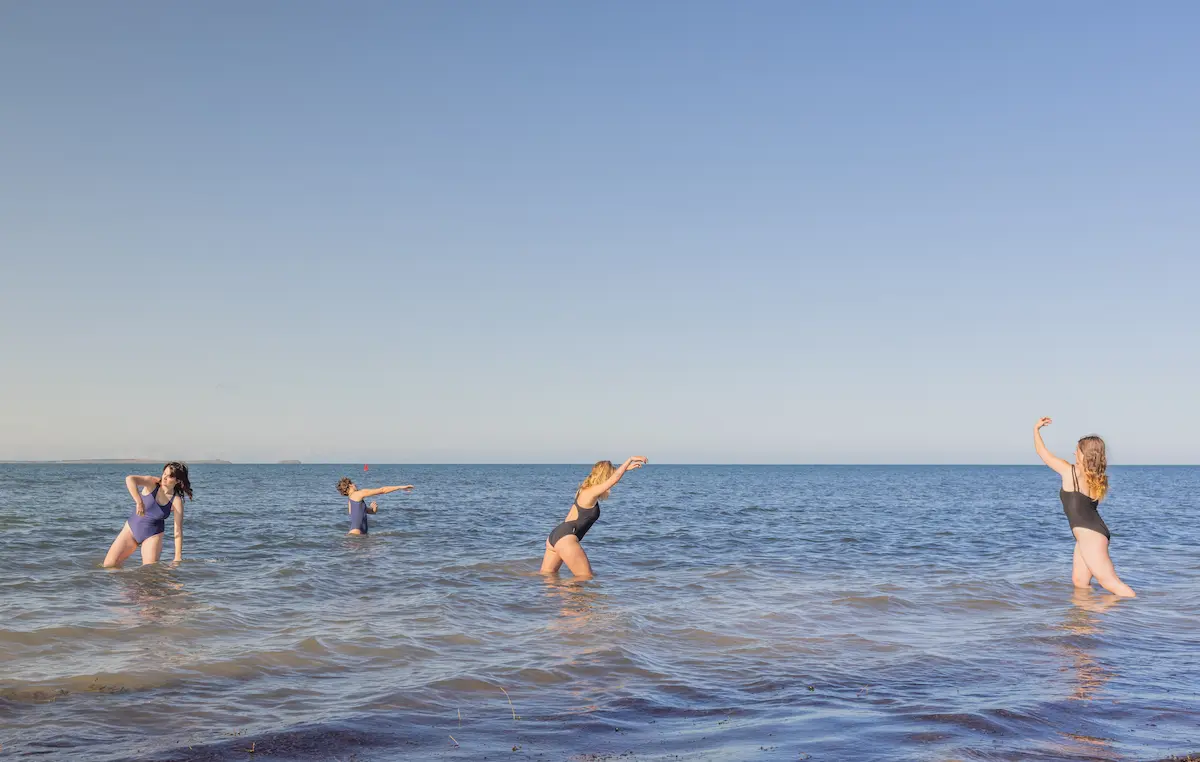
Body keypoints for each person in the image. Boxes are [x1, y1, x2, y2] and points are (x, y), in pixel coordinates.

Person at [1033, 418, 1135, 597]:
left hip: (1091, 535)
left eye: (1077, 450)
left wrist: (1036, 429)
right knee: (1080, 582)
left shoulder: (1070, 471)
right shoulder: (1095, 477)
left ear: (1083, 454)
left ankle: (1138, 611)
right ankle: (1084, 623)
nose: (1074, 453)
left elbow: (1043, 453)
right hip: (1089, 535)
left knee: (1109, 582)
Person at [539, 456, 647, 579]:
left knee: (548, 578)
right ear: (605, 476)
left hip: (556, 535)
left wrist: (625, 469)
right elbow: (614, 478)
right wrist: (630, 459)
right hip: (566, 538)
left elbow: (614, 476)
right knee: (585, 578)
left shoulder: (583, 490)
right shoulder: (591, 492)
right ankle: (569, 597)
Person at [103, 462, 192, 568]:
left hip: (153, 535)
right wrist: (139, 501)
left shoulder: (176, 500)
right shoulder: (152, 483)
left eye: (170, 476)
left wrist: (177, 557)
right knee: (109, 565)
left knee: (149, 572)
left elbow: (178, 532)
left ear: (177, 481)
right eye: (164, 474)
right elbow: (130, 479)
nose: (164, 478)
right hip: (131, 529)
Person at [336, 477, 412, 535]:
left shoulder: (351, 500)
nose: (355, 485)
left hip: (358, 534)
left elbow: (369, 512)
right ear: (350, 485)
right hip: (357, 533)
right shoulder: (357, 494)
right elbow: (382, 490)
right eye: (353, 483)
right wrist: (400, 487)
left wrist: (374, 508)